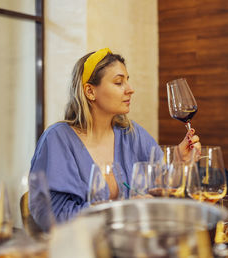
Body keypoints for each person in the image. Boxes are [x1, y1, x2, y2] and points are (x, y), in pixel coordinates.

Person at [28, 48, 201, 229]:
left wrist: (178, 164)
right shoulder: (58, 139)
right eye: (119, 82)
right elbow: (51, 217)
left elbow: (160, 190)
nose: (130, 90)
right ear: (90, 91)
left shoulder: (132, 134)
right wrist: (123, 211)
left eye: (128, 81)